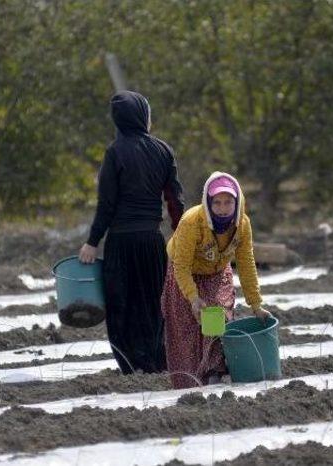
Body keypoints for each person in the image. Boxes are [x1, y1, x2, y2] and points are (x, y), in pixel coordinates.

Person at [79, 90, 184, 374]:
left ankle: (130, 366)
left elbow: (107, 204)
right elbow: (175, 200)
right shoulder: (164, 150)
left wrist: (92, 242)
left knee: (121, 305)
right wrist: (181, 233)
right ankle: (157, 363)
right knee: (153, 303)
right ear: (142, 116)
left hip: (121, 243)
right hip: (151, 242)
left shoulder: (115, 153)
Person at [162, 171, 271, 389]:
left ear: (237, 202)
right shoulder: (192, 222)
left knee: (216, 315)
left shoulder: (242, 224)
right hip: (185, 272)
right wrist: (193, 298)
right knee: (188, 329)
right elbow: (181, 265)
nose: (222, 208)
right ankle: (191, 384)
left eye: (228, 202)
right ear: (208, 202)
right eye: (217, 202)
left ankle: (216, 371)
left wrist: (256, 304)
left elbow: (246, 262)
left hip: (217, 272)